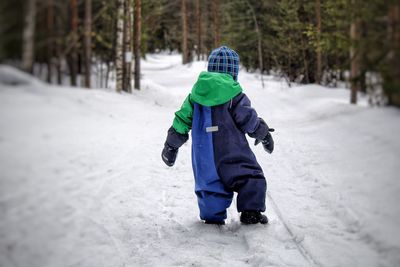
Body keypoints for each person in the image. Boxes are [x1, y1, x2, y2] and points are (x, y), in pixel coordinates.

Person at [161, 46, 274, 225]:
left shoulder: (195, 96)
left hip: (204, 156)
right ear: (233, 72)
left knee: (209, 187)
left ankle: (212, 216)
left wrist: (171, 144)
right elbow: (249, 120)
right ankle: (251, 212)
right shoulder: (235, 96)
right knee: (250, 178)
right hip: (233, 153)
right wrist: (264, 134)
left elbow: (181, 120)